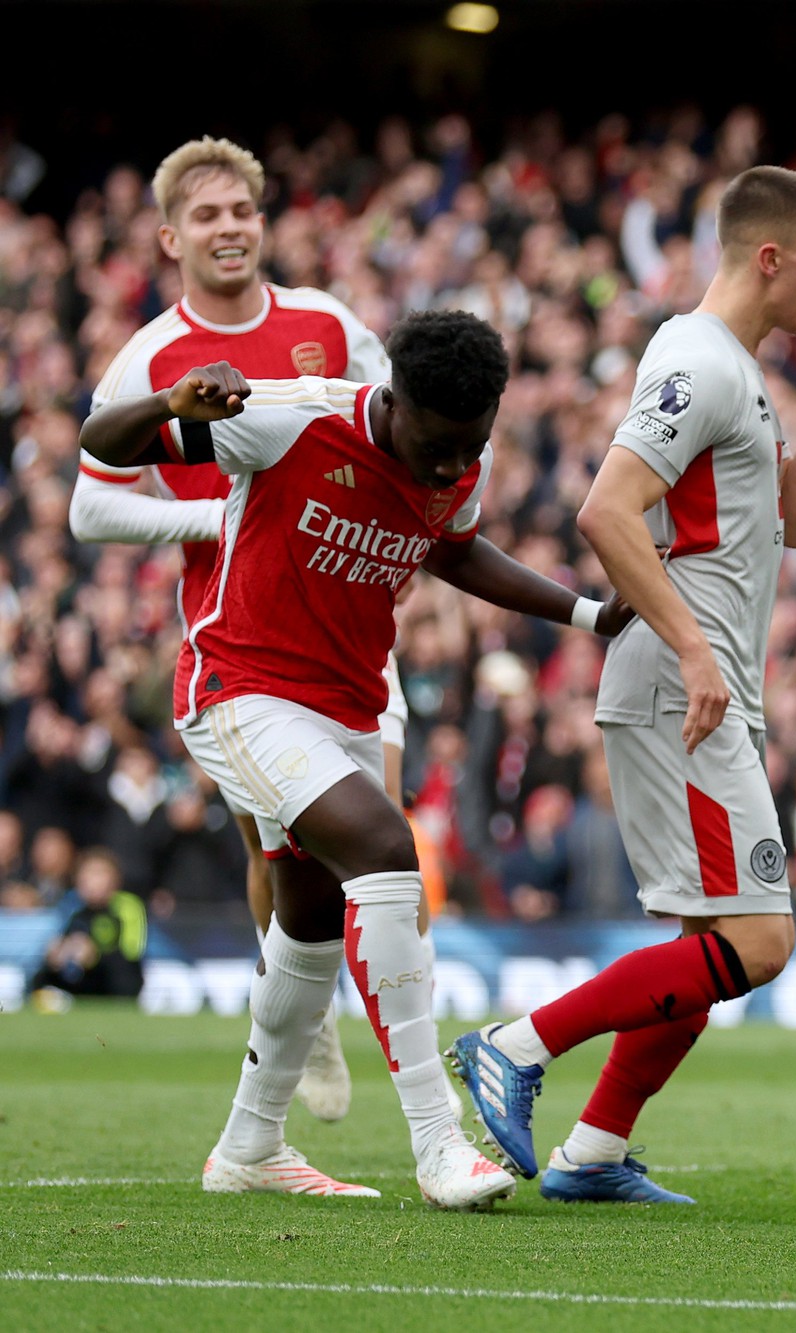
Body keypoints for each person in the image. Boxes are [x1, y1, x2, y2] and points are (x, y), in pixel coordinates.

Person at [77, 309, 633, 1208]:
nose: (455, 466)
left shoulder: (460, 455)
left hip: (344, 705)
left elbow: (454, 548)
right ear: (395, 401)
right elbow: (100, 442)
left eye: (473, 445)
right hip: (238, 688)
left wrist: (583, 613)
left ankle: (250, 1146)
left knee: (309, 913)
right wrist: (165, 401)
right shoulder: (287, 418)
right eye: (441, 445)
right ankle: (437, 1140)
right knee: (384, 846)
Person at [450, 166, 796, 1205]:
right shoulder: (697, 361)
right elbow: (605, 511)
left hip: (701, 679)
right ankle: (516, 1043)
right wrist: (692, 645)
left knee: (702, 942)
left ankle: (591, 1153)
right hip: (684, 683)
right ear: (770, 258)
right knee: (757, 940)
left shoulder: (744, 372)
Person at [71, 136, 411, 1123]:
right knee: (284, 853)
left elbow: (396, 429)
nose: (229, 230)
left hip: (351, 623)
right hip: (245, 642)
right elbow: (91, 510)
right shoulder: (150, 357)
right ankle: (311, 1023)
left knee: (366, 838)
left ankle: (372, 1048)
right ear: (172, 236)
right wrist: (212, 518)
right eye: (208, 216)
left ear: (264, 224)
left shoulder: (326, 324)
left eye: (242, 213)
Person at [29, 849, 147, 1000]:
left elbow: (132, 954)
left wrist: (95, 956)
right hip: (81, 985)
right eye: (87, 873)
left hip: (116, 986)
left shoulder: (127, 907)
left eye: (99, 873)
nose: (91, 880)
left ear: (115, 879)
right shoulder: (72, 908)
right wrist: (57, 954)